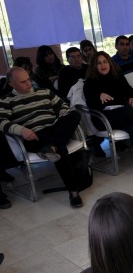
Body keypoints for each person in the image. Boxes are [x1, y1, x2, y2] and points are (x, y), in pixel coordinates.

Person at [0, 67, 84, 207]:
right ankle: (73, 192)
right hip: (33, 136)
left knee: (74, 114)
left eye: (29, 79)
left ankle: (52, 147)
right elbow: (1, 121)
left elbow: (63, 105)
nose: (28, 84)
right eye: (23, 82)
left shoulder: (44, 91)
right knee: (60, 149)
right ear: (11, 84)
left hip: (54, 129)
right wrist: (21, 130)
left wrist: (63, 114)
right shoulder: (6, 100)